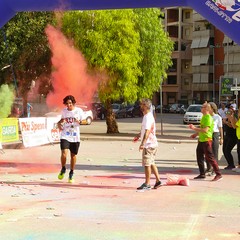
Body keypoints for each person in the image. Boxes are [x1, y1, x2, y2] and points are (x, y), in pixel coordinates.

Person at [189, 102, 222, 181]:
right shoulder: (203, 117)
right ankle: (202, 173)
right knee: (199, 156)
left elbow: (205, 130)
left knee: (210, 157)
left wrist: (194, 128)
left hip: (207, 140)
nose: (201, 108)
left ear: (206, 109)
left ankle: (218, 174)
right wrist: (196, 134)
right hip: (202, 140)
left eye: (203, 107)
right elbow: (202, 128)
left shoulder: (208, 118)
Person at [134, 98, 161, 190]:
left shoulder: (147, 117)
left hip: (149, 145)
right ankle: (158, 181)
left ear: (145, 106)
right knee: (152, 162)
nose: (140, 106)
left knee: (147, 164)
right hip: (153, 144)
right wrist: (138, 136)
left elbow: (147, 131)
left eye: (141, 105)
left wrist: (142, 143)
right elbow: (144, 130)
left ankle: (147, 183)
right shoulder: (148, 116)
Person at [57, 95, 84, 183]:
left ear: (73, 103)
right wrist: (59, 124)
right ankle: (63, 168)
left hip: (75, 136)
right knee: (64, 153)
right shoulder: (64, 111)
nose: (68, 105)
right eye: (67, 104)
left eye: (70, 103)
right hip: (65, 135)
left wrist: (79, 121)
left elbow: (84, 121)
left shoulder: (79, 111)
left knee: (73, 155)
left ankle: (71, 173)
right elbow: (61, 120)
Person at [205, 102, 224, 175]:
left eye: (208, 107)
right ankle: (209, 168)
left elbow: (220, 128)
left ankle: (215, 170)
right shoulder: (206, 116)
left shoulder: (217, 117)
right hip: (208, 135)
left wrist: (221, 138)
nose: (207, 109)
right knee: (207, 152)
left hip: (215, 134)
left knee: (214, 152)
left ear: (212, 108)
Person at [222, 104, 238, 170]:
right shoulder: (227, 117)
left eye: (232, 108)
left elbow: (232, 125)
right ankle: (229, 164)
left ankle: (231, 164)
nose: (230, 110)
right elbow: (223, 121)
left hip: (233, 136)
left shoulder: (235, 117)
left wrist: (227, 121)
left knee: (227, 150)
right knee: (224, 150)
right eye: (229, 108)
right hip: (227, 135)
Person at [227, 105, 240, 171]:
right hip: (238, 137)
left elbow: (234, 126)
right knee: (238, 151)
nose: (238, 112)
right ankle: (239, 166)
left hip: (238, 137)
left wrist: (231, 118)